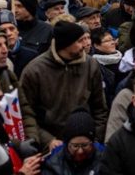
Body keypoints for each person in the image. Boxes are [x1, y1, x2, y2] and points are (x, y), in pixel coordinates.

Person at [20, 21, 109, 150]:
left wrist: (93, 140)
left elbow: (100, 109)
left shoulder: (90, 65)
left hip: (87, 144)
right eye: (79, 41)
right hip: (51, 147)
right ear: (66, 44)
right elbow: (26, 114)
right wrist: (47, 141)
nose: (85, 45)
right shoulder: (34, 71)